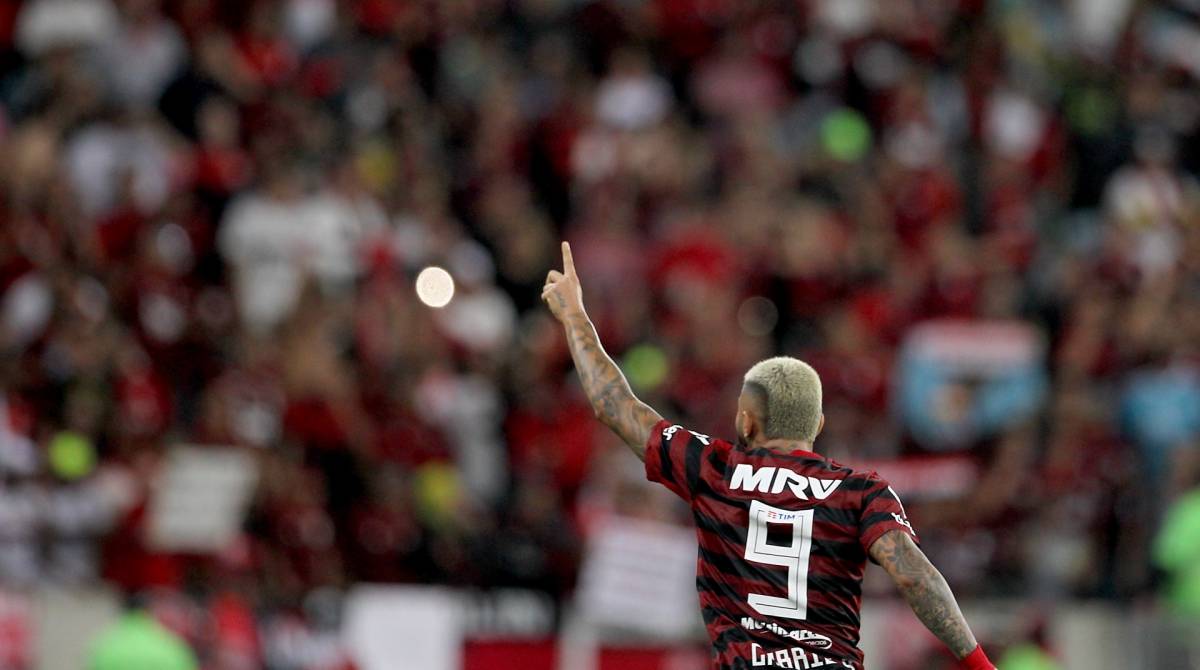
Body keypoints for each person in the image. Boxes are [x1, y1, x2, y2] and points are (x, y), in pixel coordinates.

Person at [542, 242, 994, 669]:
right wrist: (980, 664)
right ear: (818, 425)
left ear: (745, 421)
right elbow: (915, 576)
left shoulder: (713, 470)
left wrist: (575, 316)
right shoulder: (861, 493)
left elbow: (614, 405)